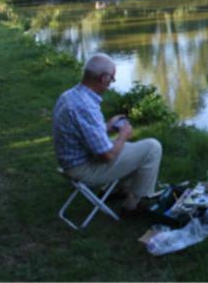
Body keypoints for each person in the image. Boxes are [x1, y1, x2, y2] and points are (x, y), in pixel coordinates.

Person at [52, 53, 162, 216]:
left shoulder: (70, 96)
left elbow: (83, 131)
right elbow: (108, 156)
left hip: (71, 160)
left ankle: (117, 190)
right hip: (82, 168)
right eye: (112, 79)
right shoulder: (86, 107)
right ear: (103, 78)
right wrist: (123, 135)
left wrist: (107, 127)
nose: (111, 84)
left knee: (131, 149)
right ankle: (132, 206)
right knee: (152, 148)